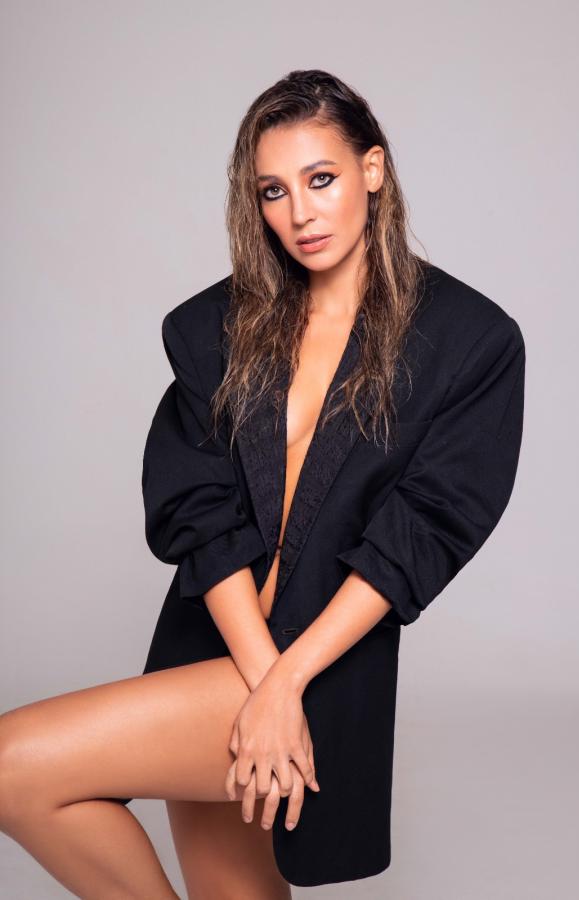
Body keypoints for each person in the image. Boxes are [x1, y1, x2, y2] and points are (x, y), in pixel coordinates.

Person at [0, 69, 526, 896]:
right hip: (212, 644)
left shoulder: (471, 341)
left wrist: (285, 683)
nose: (300, 213)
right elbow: (195, 508)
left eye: (321, 179)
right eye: (273, 191)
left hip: (320, 668)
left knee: (11, 765)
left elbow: (419, 537)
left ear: (373, 170)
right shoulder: (214, 326)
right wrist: (262, 675)